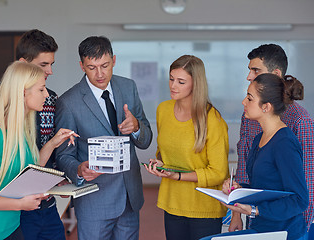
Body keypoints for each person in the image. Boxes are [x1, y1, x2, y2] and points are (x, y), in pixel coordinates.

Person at [0, 61, 77, 240]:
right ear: (23, 92)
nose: (46, 95)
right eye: (41, 89)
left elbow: (29, 170)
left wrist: (53, 143)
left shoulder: (21, 131)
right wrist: (19, 204)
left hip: (12, 229)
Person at [55, 36, 153, 240]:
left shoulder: (128, 87)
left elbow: (145, 140)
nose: (99, 74)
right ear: (81, 66)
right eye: (92, 67)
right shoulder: (68, 102)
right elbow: (64, 155)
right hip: (94, 201)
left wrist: (136, 127)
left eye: (105, 65)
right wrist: (79, 170)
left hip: (129, 198)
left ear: (114, 60)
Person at [201, 73, 309, 240]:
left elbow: (300, 200)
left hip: (284, 233)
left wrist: (255, 210)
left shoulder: (284, 143)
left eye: (250, 98)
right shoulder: (259, 138)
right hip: (262, 229)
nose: (244, 102)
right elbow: (263, 185)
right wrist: (238, 189)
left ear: (266, 107)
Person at [143, 55, 229, 240]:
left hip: (204, 208)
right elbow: (164, 150)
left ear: (196, 84)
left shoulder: (212, 119)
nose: (173, 86)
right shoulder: (163, 110)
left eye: (181, 82)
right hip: (172, 202)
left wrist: (178, 176)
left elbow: (219, 172)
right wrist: (161, 163)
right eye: (171, 79)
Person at [233, 44, 314, 235]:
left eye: (256, 70)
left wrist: (302, 229)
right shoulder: (252, 122)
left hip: (285, 226)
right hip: (258, 220)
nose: (249, 76)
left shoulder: (299, 122)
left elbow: (306, 186)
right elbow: (247, 168)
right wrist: (238, 196)